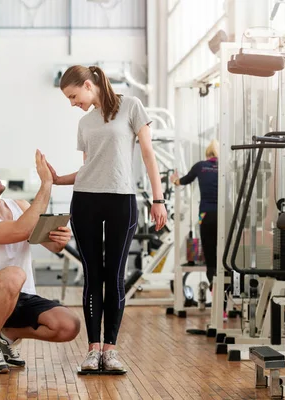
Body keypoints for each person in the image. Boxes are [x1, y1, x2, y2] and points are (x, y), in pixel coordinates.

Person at [46, 65, 168, 372]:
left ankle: (110, 350)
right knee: (92, 275)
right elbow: (90, 167)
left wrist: (158, 199)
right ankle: (92, 350)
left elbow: (148, 154)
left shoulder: (131, 107)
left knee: (114, 276)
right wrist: (59, 179)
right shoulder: (85, 123)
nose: (73, 103)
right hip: (85, 199)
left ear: (88, 85)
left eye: (74, 96)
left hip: (121, 201)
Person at [0, 150, 81, 374]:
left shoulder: (20, 206)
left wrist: (60, 239)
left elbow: (51, 245)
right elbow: (20, 230)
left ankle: (8, 336)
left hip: (22, 296)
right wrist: (46, 184)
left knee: (69, 326)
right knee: (14, 274)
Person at [170, 139, 219, 304]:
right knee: (223, 254)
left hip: (205, 215)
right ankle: (224, 302)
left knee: (210, 254)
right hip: (224, 214)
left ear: (207, 153)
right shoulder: (225, 167)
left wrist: (174, 179)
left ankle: (213, 284)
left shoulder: (200, 166)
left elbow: (182, 182)